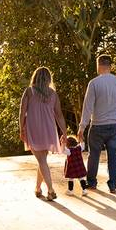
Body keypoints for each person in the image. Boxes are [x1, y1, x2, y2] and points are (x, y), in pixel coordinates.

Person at [77, 54, 116, 193]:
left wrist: (82, 127)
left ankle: (92, 182)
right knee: (113, 155)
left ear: (98, 65)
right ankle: (113, 185)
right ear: (110, 66)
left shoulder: (94, 83)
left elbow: (87, 107)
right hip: (114, 126)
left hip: (98, 126)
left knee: (94, 155)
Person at [19, 66, 67, 201]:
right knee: (42, 160)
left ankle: (51, 190)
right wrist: (64, 131)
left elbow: (22, 112)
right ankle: (37, 188)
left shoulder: (29, 91)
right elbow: (59, 115)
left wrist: (21, 128)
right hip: (49, 129)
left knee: (41, 160)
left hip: (33, 129)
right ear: (49, 79)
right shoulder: (53, 94)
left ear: (35, 78)